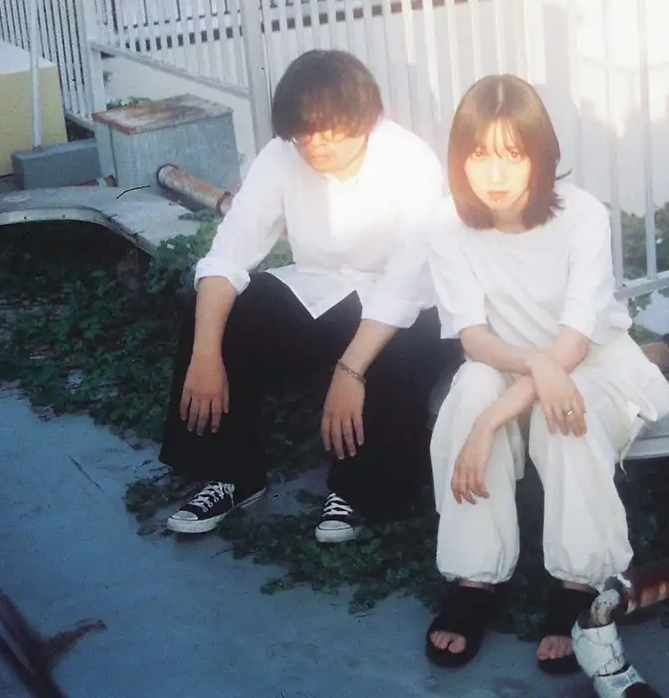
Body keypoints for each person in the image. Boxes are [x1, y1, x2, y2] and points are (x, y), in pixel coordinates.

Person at [421, 75, 669, 672]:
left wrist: (492, 423)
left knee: (565, 405)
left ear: (542, 155)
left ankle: (579, 586)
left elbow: (575, 344)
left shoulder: (581, 215)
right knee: (472, 390)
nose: (495, 173)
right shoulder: (446, 221)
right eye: (479, 154)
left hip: (593, 366)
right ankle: (474, 582)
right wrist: (529, 370)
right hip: (507, 364)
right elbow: (473, 336)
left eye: (513, 153)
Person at [158, 49, 460, 543]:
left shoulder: (410, 162)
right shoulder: (282, 155)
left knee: (398, 350)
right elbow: (229, 252)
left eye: (328, 130)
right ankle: (231, 472)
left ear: (364, 118)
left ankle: (361, 490)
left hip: (407, 304)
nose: (314, 143)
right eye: (303, 132)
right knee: (225, 313)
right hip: (322, 285)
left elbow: (405, 284)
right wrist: (205, 355)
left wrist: (349, 371)